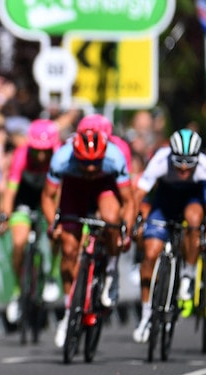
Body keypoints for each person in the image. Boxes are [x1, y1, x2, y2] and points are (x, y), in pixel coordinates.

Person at [41, 128, 135, 348]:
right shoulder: (62, 158)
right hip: (74, 190)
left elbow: (129, 201)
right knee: (69, 249)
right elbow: (47, 196)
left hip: (104, 188)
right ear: (76, 156)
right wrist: (52, 223)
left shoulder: (114, 157)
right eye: (85, 163)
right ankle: (68, 311)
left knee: (112, 219)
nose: (91, 168)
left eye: (96, 162)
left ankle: (111, 269)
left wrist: (126, 232)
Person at [131, 128, 206, 343]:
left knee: (194, 220)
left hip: (192, 202)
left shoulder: (205, 166)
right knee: (150, 254)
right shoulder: (159, 160)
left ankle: (188, 274)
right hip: (164, 203)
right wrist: (133, 219)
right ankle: (146, 314)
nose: (184, 167)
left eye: (189, 163)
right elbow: (137, 195)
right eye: (179, 162)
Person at [0, 119, 61, 324]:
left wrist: (57, 219)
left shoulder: (59, 156)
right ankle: (18, 291)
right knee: (18, 244)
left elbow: (61, 193)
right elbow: (10, 192)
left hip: (50, 197)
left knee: (57, 232)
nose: (42, 155)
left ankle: (51, 274)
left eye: (46, 151)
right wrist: (5, 217)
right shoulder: (21, 155)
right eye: (37, 150)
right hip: (24, 198)